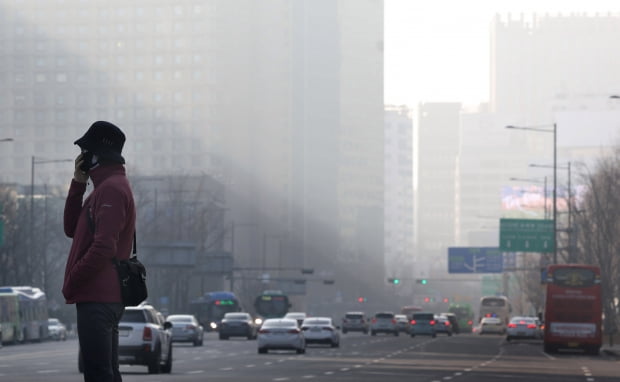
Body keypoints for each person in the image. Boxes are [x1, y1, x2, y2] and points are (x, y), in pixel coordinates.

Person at [62, 121, 136, 382]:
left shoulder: (112, 190)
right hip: (100, 296)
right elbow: (71, 228)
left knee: (98, 374)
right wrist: (77, 184)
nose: (82, 158)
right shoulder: (103, 189)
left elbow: (105, 247)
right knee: (106, 373)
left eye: (86, 152)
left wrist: (73, 279)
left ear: (97, 155)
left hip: (99, 297)